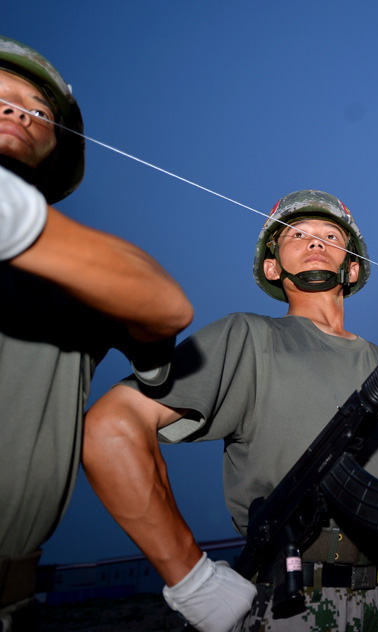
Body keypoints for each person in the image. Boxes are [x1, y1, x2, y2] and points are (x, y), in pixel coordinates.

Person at [82, 190, 378, 632]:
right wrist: (189, 576)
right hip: (284, 601)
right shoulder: (247, 337)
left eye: (330, 235)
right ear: (272, 266)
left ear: (351, 266)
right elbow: (111, 426)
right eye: (296, 234)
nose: (315, 242)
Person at [0, 36, 193, 626]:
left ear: (55, 143)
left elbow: (165, 306)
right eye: (0, 98)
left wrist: (21, 224)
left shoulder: (83, 277)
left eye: (38, 109)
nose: (17, 110)